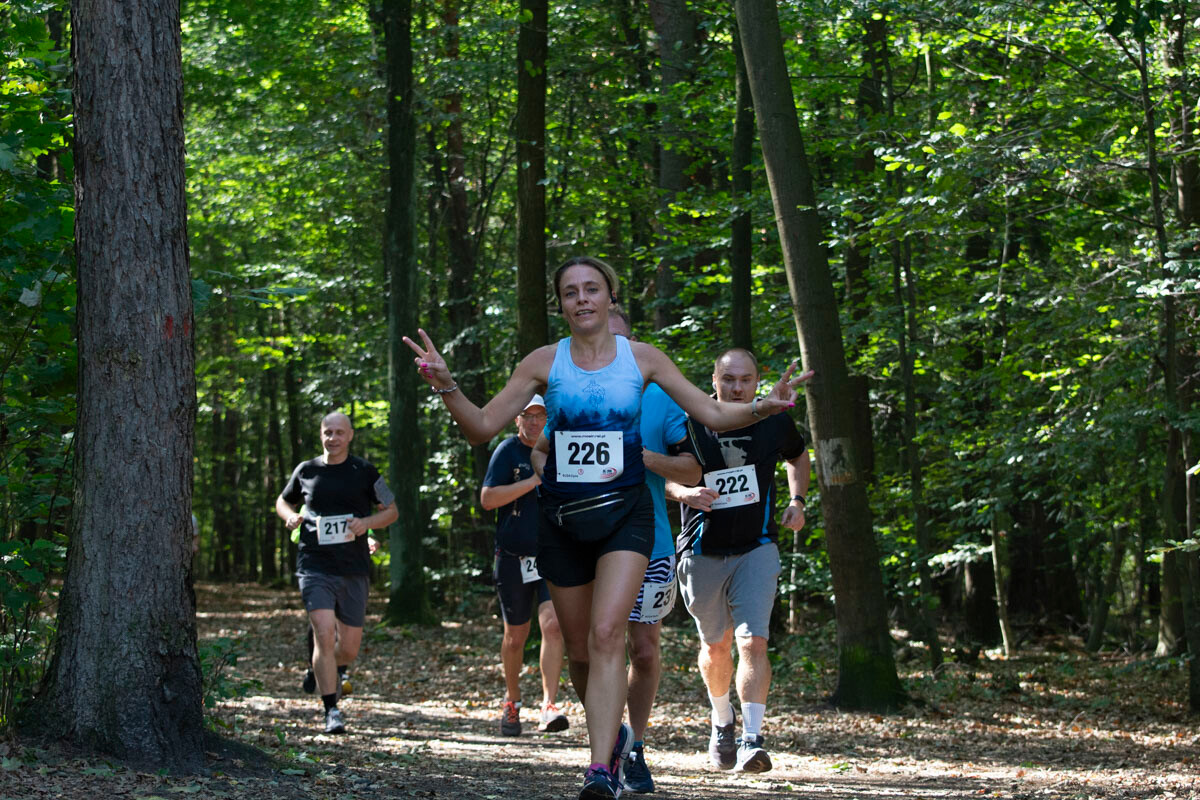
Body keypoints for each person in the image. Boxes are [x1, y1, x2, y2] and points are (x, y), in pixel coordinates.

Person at [404, 255, 811, 800]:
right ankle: (614, 737)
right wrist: (447, 386)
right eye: (570, 292)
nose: (582, 299)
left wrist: (766, 407)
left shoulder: (643, 359)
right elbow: (480, 427)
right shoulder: (542, 363)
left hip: (626, 516)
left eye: (591, 289)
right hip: (563, 520)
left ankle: (599, 772)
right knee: (577, 649)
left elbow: (712, 417)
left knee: (606, 635)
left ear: (610, 297)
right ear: (562, 304)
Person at [666, 348, 812, 774]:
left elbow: (798, 455)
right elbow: (663, 474)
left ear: (756, 382)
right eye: (728, 379)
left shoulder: (774, 421)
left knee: (753, 641)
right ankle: (721, 719)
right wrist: (686, 493)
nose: (736, 387)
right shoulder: (689, 422)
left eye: (745, 380)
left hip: (757, 546)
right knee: (716, 646)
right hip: (701, 550)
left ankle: (752, 740)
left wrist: (798, 501)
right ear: (713, 381)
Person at [607, 308, 700, 794]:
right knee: (592, 650)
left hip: (650, 544)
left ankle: (634, 746)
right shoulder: (566, 392)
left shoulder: (661, 397)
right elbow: (542, 455)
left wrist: (642, 457)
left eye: (620, 342)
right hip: (586, 544)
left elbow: (692, 469)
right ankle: (607, 746)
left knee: (642, 651)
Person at [275, 411, 398, 735]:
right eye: (328, 432)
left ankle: (325, 669)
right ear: (321, 435)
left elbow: (392, 510)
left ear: (350, 435)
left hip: (353, 567)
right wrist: (289, 517)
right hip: (314, 564)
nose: (333, 438)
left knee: (349, 648)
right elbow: (282, 501)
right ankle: (332, 709)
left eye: (339, 432)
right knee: (324, 633)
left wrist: (367, 524)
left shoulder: (365, 471)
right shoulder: (307, 470)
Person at [480, 393, 570, 737]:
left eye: (540, 416)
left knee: (553, 626)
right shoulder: (507, 452)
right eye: (526, 416)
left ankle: (549, 706)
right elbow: (488, 500)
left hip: (552, 555)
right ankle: (513, 702)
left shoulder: (560, 449)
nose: (533, 423)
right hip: (513, 559)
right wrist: (531, 482)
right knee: (516, 637)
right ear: (517, 420)